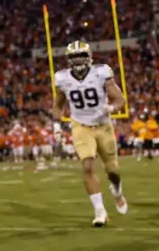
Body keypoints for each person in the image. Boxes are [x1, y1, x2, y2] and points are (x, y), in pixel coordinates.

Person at [52, 41, 130, 226]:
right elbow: (58, 104)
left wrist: (111, 107)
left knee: (113, 171)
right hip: (81, 126)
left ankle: (117, 190)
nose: (78, 61)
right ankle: (100, 211)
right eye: (74, 57)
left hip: (103, 125)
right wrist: (57, 126)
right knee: (87, 166)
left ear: (89, 58)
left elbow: (120, 99)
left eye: (81, 56)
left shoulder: (101, 73)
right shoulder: (63, 78)